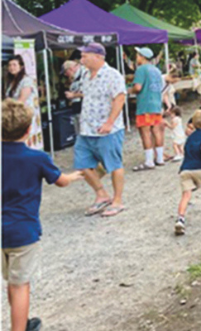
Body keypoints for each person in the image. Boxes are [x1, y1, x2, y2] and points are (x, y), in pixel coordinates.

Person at [2, 100, 83, 331]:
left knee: (12, 281)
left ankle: (21, 322)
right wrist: (74, 176)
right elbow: (60, 182)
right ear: (29, 130)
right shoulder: (37, 158)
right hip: (24, 231)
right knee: (20, 285)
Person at [73, 43, 127, 217]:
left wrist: (110, 122)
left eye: (84, 56)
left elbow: (120, 98)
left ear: (97, 56)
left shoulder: (113, 75)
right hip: (86, 128)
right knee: (82, 164)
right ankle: (102, 194)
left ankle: (118, 201)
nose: (81, 59)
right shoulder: (85, 75)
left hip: (107, 130)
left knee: (113, 165)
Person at [129, 47, 166, 171]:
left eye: (137, 55)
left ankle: (149, 161)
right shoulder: (156, 70)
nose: (136, 57)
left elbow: (138, 87)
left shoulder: (141, 69)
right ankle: (160, 158)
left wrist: (129, 90)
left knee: (145, 133)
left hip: (145, 105)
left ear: (142, 57)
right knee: (157, 131)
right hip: (156, 104)